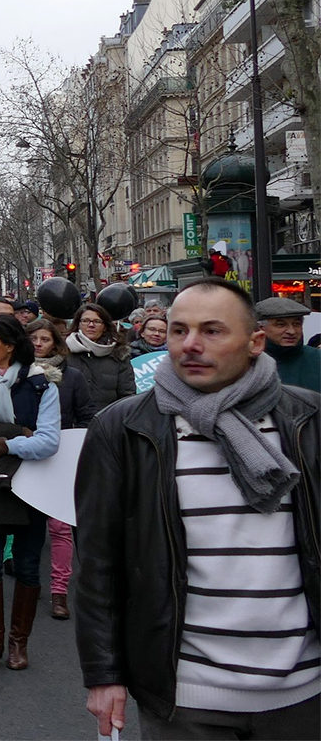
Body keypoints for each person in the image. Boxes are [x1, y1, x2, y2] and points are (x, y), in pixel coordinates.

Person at [77, 279, 321, 740]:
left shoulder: (308, 420)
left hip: (304, 694)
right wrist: (103, 673)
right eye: (178, 330)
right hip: (185, 698)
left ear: (254, 343)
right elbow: (99, 561)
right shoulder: (124, 427)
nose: (190, 345)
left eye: (212, 331)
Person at [0, 313, 62, 671]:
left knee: (28, 567)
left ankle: (19, 643)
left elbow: (49, 442)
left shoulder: (42, 386)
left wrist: (3, 444)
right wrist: (22, 433)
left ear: (9, 346)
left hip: (30, 486)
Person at [27, 316, 95, 622]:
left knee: (60, 527)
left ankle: (59, 591)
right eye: (33, 340)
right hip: (24, 456)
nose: (39, 345)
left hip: (60, 458)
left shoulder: (74, 377)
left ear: (56, 343)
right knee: (23, 525)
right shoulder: (14, 374)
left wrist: (70, 445)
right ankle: (25, 580)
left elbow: (86, 415)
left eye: (45, 340)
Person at [66, 303, 137, 414]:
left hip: (106, 422)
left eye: (97, 321)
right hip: (71, 424)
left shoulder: (118, 354)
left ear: (105, 326)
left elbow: (127, 395)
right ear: (78, 324)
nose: (91, 325)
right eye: (85, 321)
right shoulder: (64, 352)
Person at [258, 297, 321, 392]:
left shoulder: (317, 359)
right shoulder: (245, 361)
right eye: (281, 325)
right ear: (261, 328)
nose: (291, 331)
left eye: (296, 324)